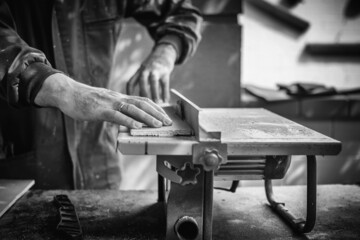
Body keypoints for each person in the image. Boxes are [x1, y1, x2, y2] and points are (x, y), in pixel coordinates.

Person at [0, 0, 202, 189]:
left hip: (100, 166)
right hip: (23, 170)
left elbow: (181, 11)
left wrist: (164, 55)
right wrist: (65, 91)